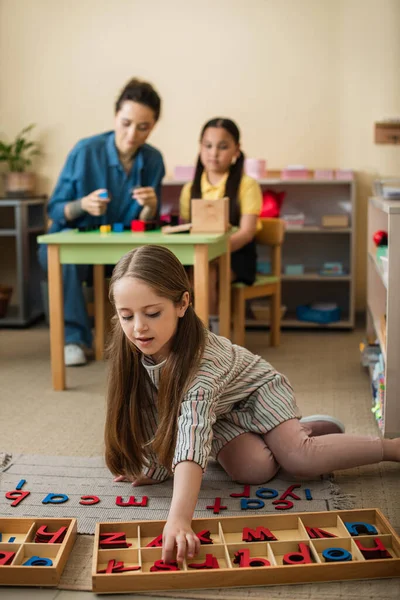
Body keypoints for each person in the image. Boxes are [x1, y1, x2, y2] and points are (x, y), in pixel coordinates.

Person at [105, 245, 400, 566]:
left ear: (182, 303)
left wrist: (179, 518)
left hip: (258, 394)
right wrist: (160, 462)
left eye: (152, 313)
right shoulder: (131, 345)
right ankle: (300, 432)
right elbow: (152, 408)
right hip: (220, 414)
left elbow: (191, 431)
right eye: (126, 315)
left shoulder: (203, 362)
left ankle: (389, 448)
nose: (138, 328)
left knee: (300, 459)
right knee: (252, 471)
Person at [38, 78, 165, 366]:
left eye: (143, 127)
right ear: (115, 116)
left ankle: (145, 339)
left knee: (150, 260)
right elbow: (55, 209)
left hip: (121, 248)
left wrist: (150, 208)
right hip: (74, 243)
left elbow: (148, 224)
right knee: (63, 260)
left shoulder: (154, 160)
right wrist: (82, 204)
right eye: (126, 123)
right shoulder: (85, 151)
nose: (132, 134)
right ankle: (74, 339)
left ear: (153, 126)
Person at [179, 118, 262, 332]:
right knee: (184, 274)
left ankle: (211, 333)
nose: (213, 153)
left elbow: (247, 232)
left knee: (209, 271)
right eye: (208, 145)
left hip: (237, 255)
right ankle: (189, 329)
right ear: (200, 147)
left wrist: (215, 250)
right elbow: (186, 229)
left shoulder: (247, 185)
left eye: (222, 147)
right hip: (199, 255)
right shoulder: (190, 188)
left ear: (236, 150)